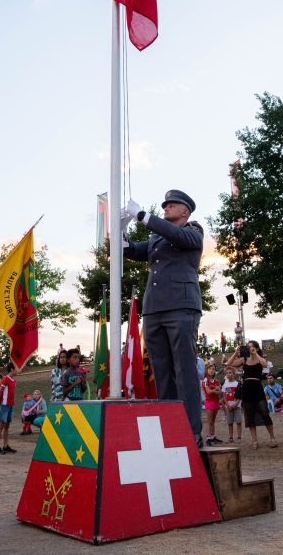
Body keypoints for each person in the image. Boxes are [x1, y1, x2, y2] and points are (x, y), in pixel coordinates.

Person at [123, 190, 204, 447]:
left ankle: (191, 431)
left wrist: (143, 216)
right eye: (165, 205)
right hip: (155, 310)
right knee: (161, 372)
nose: (167, 207)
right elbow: (134, 251)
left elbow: (177, 236)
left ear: (185, 211)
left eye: (172, 205)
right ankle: (169, 425)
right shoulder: (158, 237)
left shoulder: (193, 231)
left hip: (181, 307)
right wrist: (121, 232)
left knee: (185, 369)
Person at [227, 340, 278, 449]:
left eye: (251, 347)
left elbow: (264, 365)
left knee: (265, 412)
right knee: (249, 415)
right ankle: (255, 441)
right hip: (247, 388)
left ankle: (272, 438)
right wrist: (236, 352)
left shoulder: (260, 358)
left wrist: (255, 354)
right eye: (248, 347)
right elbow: (229, 363)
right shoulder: (244, 359)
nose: (249, 349)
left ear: (256, 348)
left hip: (257, 387)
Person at [0, 363, 18, 455]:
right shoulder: (5, 379)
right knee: (1, 426)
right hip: (4, 405)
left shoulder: (13, 381)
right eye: (15, 369)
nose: (17, 371)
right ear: (11, 369)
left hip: (11, 405)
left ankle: (5, 446)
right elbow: (0, 392)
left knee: (7, 426)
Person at [202, 363, 222, 445]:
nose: (211, 370)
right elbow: (208, 392)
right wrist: (215, 389)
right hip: (209, 402)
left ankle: (213, 437)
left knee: (213, 421)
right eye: (210, 369)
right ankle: (208, 437)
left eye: (213, 369)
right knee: (209, 421)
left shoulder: (216, 381)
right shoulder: (205, 380)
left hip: (216, 402)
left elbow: (220, 392)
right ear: (206, 370)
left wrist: (214, 390)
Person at [222, 365, 243, 443]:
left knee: (238, 422)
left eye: (230, 373)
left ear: (233, 374)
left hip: (237, 406)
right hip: (229, 407)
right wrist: (227, 405)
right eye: (227, 373)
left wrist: (236, 404)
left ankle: (239, 437)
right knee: (230, 423)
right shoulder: (224, 385)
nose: (228, 374)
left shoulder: (237, 384)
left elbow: (240, 396)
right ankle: (231, 436)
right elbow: (224, 396)